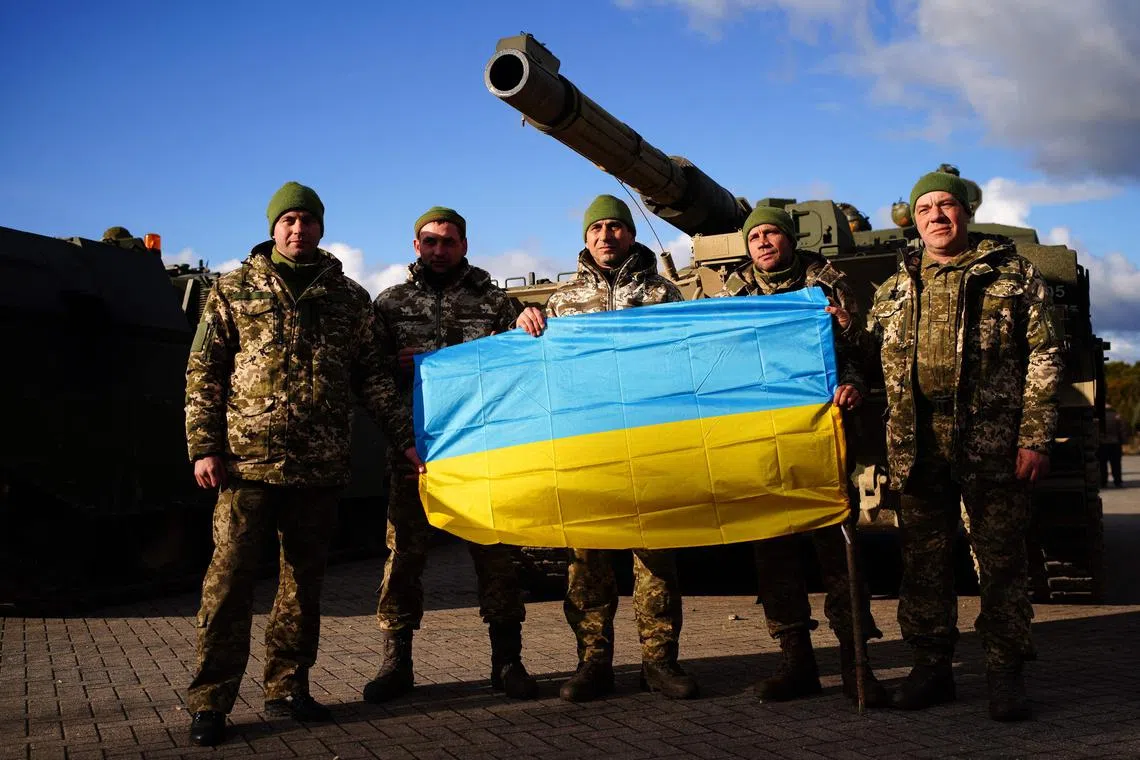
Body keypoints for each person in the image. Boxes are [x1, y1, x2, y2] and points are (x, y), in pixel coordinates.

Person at [184, 182, 422, 747]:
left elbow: (373, 380)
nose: (298, 229)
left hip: (318, 468)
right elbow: (204, 372)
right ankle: (211, 700)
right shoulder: (233, 289)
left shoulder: (347, 297)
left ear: (320, 227)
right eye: (288, 220)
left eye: (307, 220)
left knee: (302, 585)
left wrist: (405, 440)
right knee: (228, 584)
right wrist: (204, 447)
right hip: (245, 465)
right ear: (273, 227)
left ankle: (288, 688)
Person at [868, 171, 1063, 721]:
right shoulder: (894, 287)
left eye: (946, 204)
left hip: (993, 441)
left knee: (999, 562)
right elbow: (864, 356)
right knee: (923, 564)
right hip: (918, 444)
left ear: (966, 212)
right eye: (925, 207)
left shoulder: (1012, 275)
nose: (936, 215)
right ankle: (932, 668)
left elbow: (1045, 358)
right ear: (913, 218)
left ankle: (1005, 673)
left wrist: (1034, 437)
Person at [516, 194, 700, 702]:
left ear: (631, 234)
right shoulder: (562, 303)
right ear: (585, 238)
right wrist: (522, 327)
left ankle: (659, 663)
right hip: (587, 447)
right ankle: (593, 664)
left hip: (648, 444)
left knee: (656, 560)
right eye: (596, 228)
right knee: (586, 562)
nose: (605, 236)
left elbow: (684, 360)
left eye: (615, 227)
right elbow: (538, 371)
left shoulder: (663, 295)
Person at [714, 206, 889, 707]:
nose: (764, 242)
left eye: (772, 233)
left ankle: (858, 664)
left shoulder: (828, 283)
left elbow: (859, 352)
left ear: (789, 238)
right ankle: (796, 662)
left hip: (821, 435)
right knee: (773, 554)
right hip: (761, 439)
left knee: (838, 552)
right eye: (755, 236)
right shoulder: (732, 294)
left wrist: (852, 380)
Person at [363, 207, 539, 703]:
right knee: (403, 560)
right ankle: (396, 665)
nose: (439, 249)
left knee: (497, 557)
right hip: (413, 453)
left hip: (481, 453)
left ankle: (507, 663)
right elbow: (371, 377)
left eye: (449, 241)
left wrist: (529, 320)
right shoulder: (390, 305)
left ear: (464, 246)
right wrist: (403, 435)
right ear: (415, 246)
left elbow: (523, 371)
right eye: (430, 241)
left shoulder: (496, 304)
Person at [1099, 404, 1128, 488]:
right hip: (1115, 443)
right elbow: (1122, 430)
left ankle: (1103, 482)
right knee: (1116, 464)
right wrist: (1123, 441)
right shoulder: (1117, 416)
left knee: (1102, 465)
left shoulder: (1100, 417)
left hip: (1102, 444)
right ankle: (1117, 481)